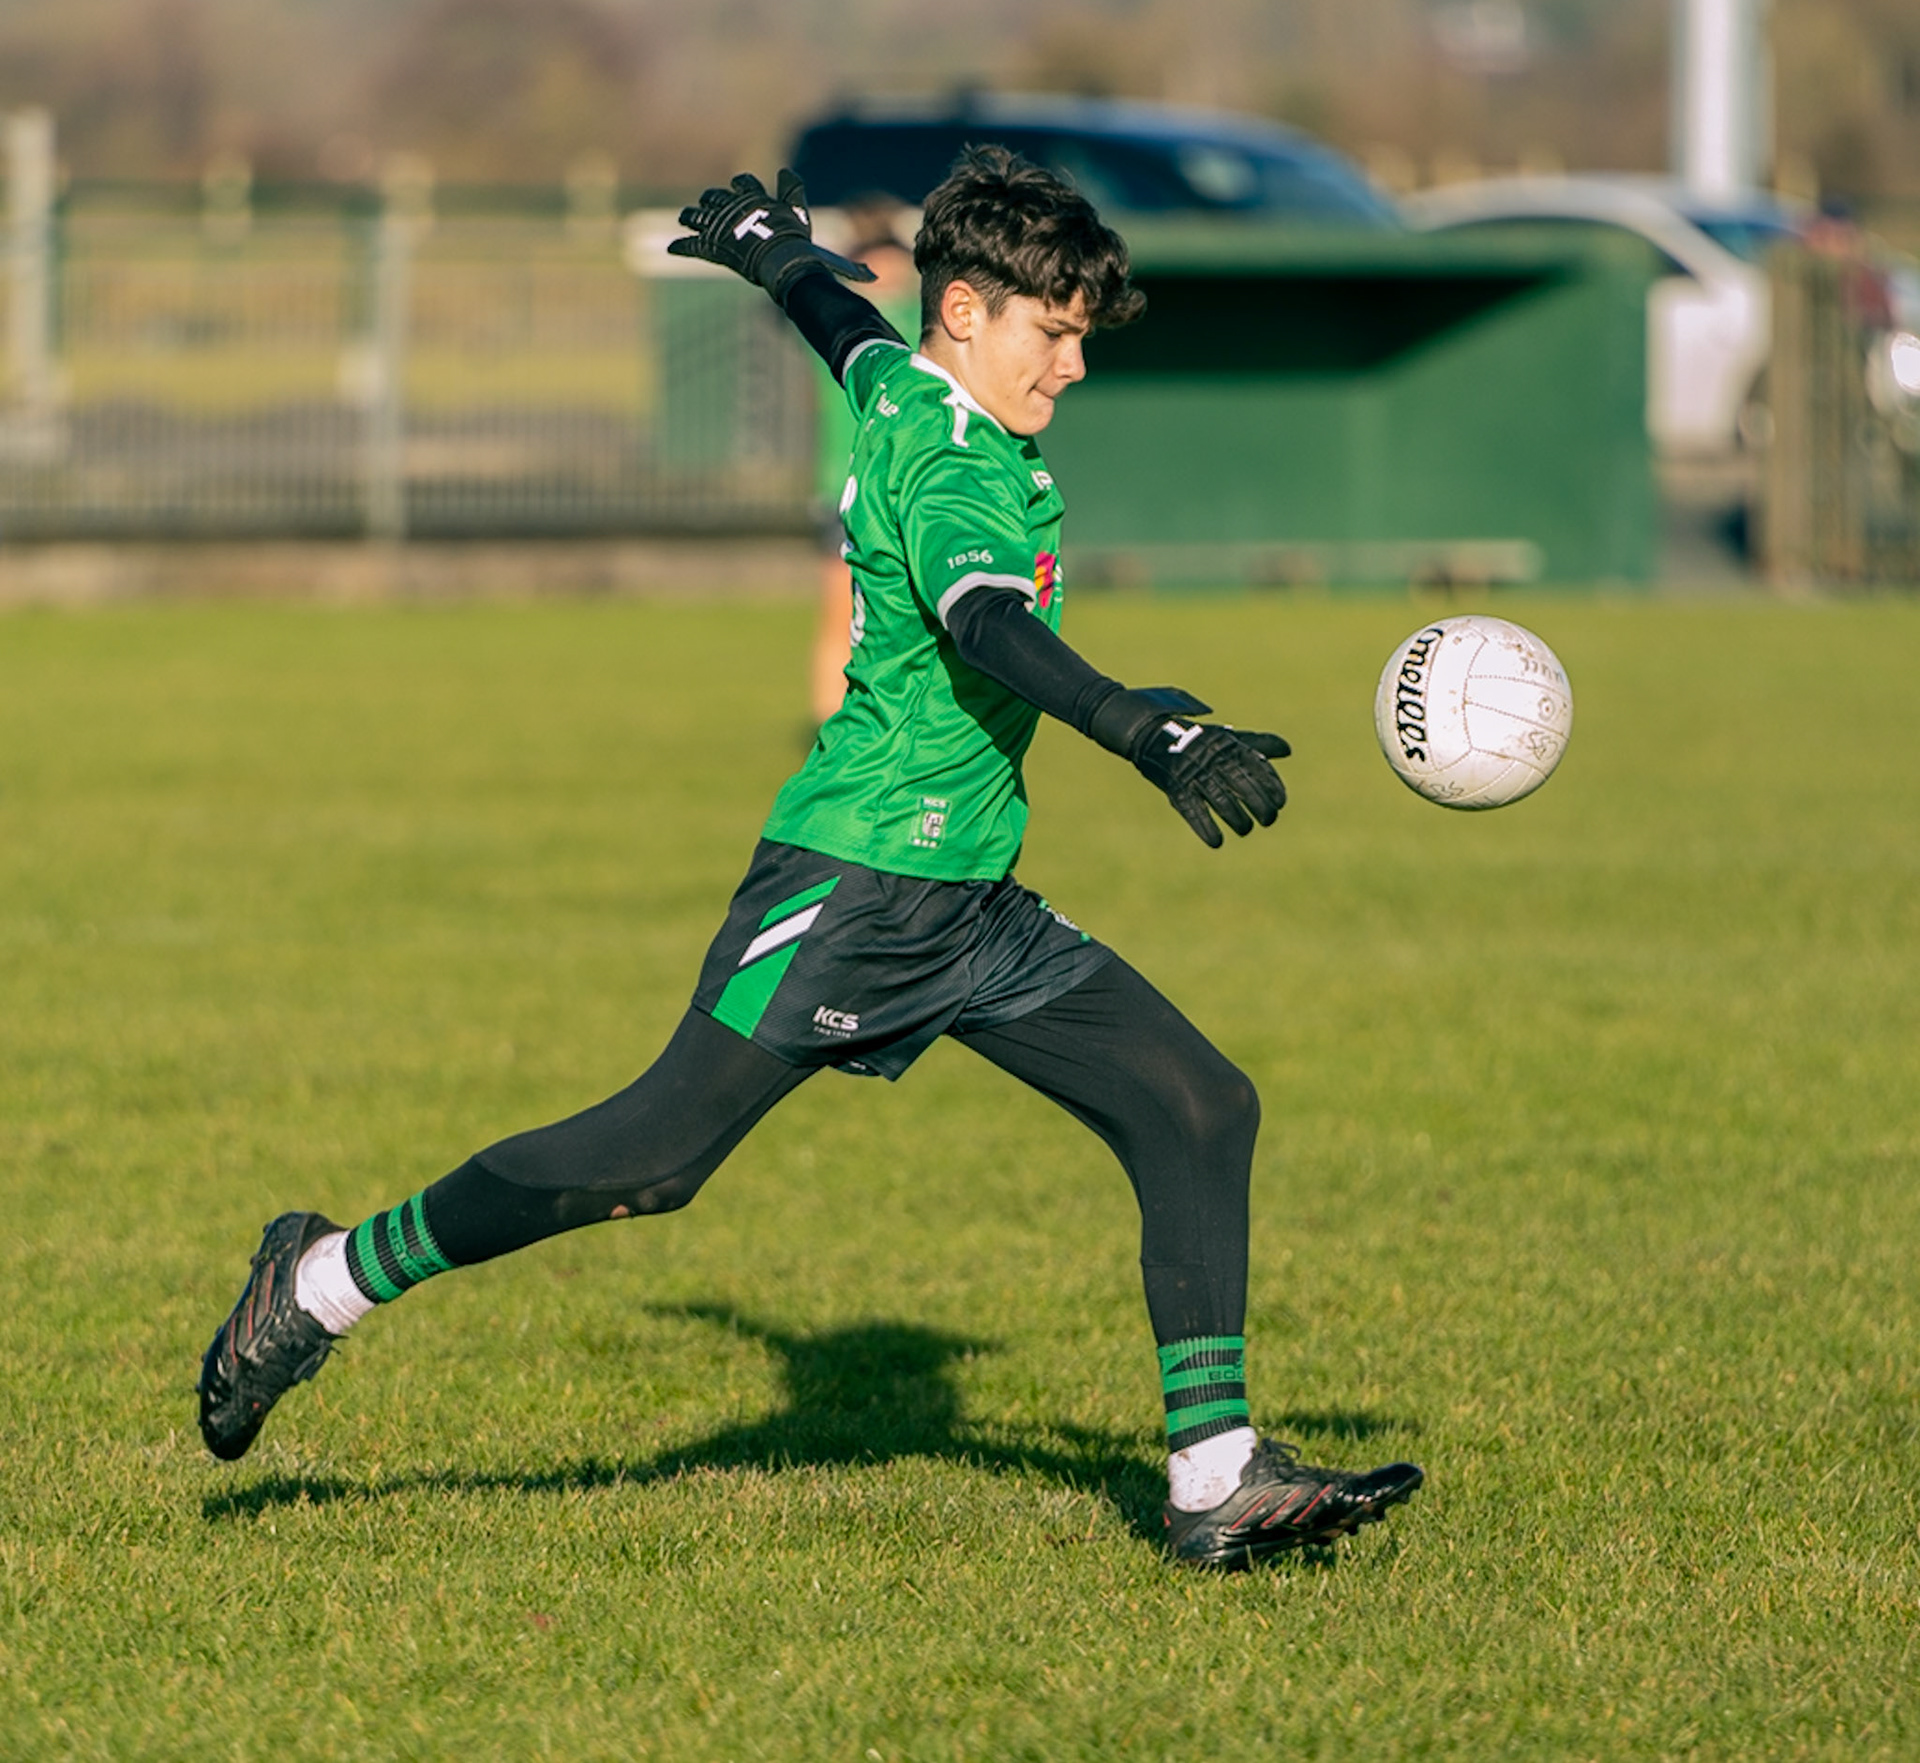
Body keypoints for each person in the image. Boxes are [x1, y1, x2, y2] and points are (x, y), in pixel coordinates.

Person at [196, 148, 1423, 1570]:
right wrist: (1140, 728)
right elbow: (983, 621)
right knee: (651, 1159)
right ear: (965, 309)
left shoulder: (912, 382)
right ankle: (322, 1280)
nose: (1074, 364)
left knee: (1198, 1105)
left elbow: (850, 333)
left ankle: (1215, 1476)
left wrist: (774, 253)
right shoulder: (954, 461)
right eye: (1055, 331)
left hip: (971, 904)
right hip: (854, 889)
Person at [808, 201, 920, 732]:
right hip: (850, 486)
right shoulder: (853, 334)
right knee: (841, 617)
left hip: (902, 488)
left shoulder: (915, 323)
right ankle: (833, 729)